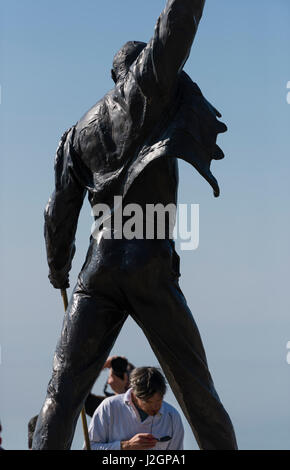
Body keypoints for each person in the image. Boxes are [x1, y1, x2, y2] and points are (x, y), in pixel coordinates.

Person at [32, 0, 238, 450]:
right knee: (197, 391)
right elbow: (176, 26)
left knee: (61, 393)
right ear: (136, 72)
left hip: (96, 269)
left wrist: (57, 270)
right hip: (149, 265)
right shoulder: (147, 92)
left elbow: (57, 214)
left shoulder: (77, 135)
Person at [28, 355, 134, 448]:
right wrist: (101, 366)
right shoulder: (105, 406)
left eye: (123, 371)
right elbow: (80, 393)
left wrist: (122, 390)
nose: (116, 373)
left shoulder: (139, 404)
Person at [87, 367, 184, 451]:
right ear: (134, 395)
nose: (155, 407)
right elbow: (90, 447)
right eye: (148, 402)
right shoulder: (109, 407)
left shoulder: (172, 416)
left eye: (159, 400)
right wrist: (126, 446)